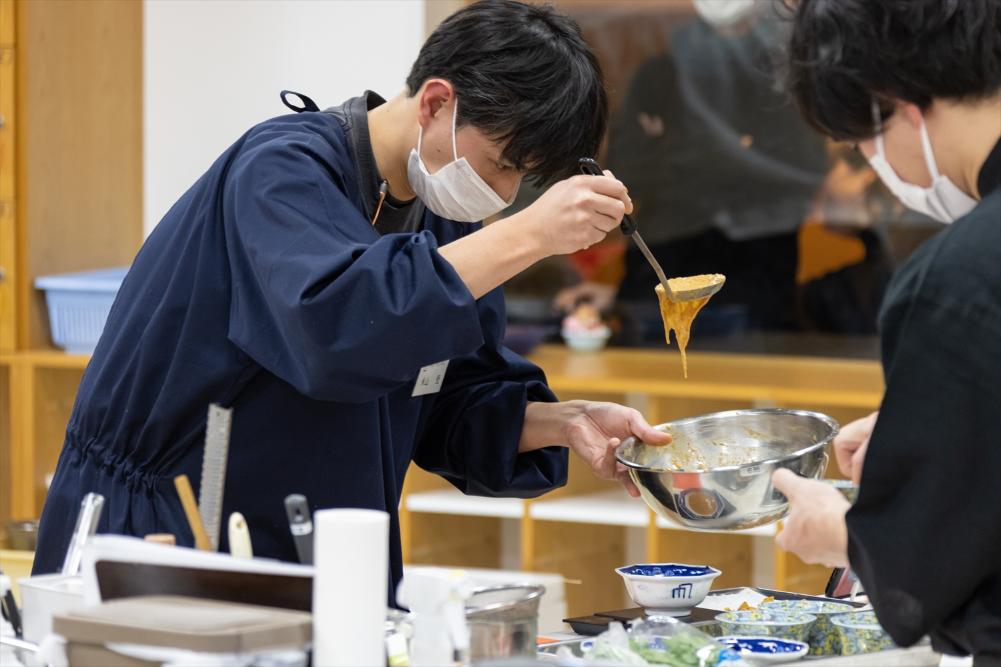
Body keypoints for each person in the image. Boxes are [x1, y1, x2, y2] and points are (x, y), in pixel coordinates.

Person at [32, 0, 672, 602]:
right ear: (436, 102)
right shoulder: (282, 171)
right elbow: (340, 330)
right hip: (168, 532)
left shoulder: (440, 219)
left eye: (522, 180)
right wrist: (532, 233)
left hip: (325, 541)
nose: (504, 195)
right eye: (503, 164)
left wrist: (564, 423)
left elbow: (449, 396)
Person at [770, 0, 1001, 662]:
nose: (873, 165)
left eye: (860, 143)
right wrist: (940, 423)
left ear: (893, 101)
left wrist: (841, 532)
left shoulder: (960, 274)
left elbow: (924, 577)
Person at [555, 0, 829, 336]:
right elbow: (627, 172)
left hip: (758, 278)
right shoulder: (660, 73)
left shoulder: (780, 74)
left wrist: (684, 160)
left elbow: (801, 169)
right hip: (663, 266)